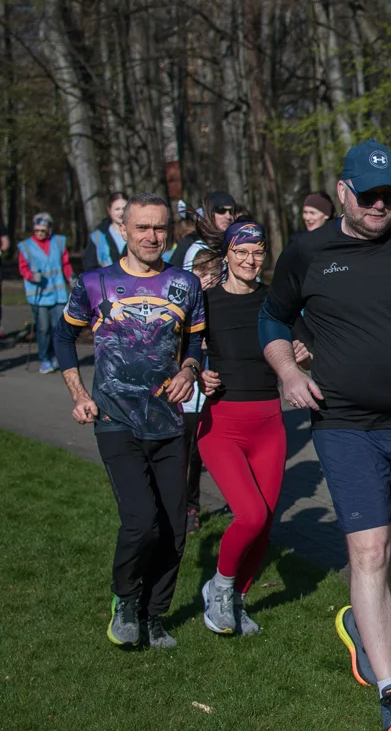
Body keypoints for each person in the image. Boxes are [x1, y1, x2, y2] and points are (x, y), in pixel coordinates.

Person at [258, 140, 391, 731]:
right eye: (370, 195)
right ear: (345, 192)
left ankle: (361, 617)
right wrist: (287, 371)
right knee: (369, 549)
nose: (381, 205)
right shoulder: (307, 251)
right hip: (343, 420)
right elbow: (273, 318)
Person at [54, 193, 206, 650]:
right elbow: (63, 337)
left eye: (159, 228)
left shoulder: (185, 284)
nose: (151, 236)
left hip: (168, 422)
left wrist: (188, 370)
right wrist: (79, 395)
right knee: (142, 521)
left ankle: (154, 615)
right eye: (142, 227)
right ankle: (125, 599)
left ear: (169, 231)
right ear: (123, 229)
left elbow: (196, 342)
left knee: (174, 526)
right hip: (115, 418)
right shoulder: (95, 283)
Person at [197, 220, 299, 637]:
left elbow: (300, 346)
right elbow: (177, 352)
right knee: (250, 514)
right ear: (227, 256)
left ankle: (237, 600)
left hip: (269, 423)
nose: (250, 260)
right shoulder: (205, 302)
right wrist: (198, 371)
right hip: (221, 423)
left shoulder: (275, 301)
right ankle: (218, 588)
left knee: (266, 521)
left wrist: (302, 356)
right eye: (242, 252)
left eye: (257, 253)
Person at [182, 248, 225, 534]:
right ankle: (187, 507)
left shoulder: (222, 301)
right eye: (203, 275)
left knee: (199, 453)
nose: (208, 281)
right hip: (185, 395)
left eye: (214, 275)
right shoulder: (185, 299)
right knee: (185, 455)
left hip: (213, 392)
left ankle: (190, 507)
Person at [17, 212, 74, 374]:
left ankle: (57, 356)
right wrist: (31, 276)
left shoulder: (58, 242)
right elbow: (23, 267)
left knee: (58, 326)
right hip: (39, 294)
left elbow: (65, 263)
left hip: (58, 293)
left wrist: (71, 277)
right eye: (37, 230)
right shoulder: (26, 246)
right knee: (43, 328)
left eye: (43, 230)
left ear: (49, 229)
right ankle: (44, 357)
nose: (40, 233)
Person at [174, 191, 238, 272]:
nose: (228, 216)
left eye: (232, 212)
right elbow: (171, 277)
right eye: (221, 210)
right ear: (208, 212)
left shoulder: (236, 242)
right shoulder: (190, 241)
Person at [83, 191, 128, 271]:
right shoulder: (97, 236)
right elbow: (90, 266)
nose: (121, 212)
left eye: (124, 209)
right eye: (117, 209)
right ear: (109, 210)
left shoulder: (138, 233)